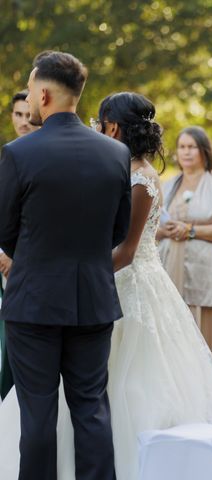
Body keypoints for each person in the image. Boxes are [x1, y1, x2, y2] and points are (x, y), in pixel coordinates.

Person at [0, 93, 212, 480]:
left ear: (114, 127)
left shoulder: (141, 178)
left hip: (128, 285)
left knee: (116, 390)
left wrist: (76, 269)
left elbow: (126, 251)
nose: (94, 127)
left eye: (99, 121)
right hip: (98, 282)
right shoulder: (112, 163)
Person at [0, 51, 131, 480]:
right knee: (91, 409)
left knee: (37, 415)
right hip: (93, 299)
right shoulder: (115, 154)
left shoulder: (18, 153)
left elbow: (4, 231)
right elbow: (117, 230)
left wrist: (36, 258)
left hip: (34, 301)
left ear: (42, 93)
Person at [157, 126, 212, 405]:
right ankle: (182, 399)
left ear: (203, 150)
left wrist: (192, 230)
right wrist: (166, 231)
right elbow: (152, 226)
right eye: (181, 147)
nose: (186, 152)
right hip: (172, 266)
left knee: (205, 331)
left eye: (192, 146)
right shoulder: (167, 185)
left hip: (209, 272)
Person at [0, 90, 40, 400]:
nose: (24, 122)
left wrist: (15, 257)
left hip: (29, 267)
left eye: (29, 115)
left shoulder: (43, 158)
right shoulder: (8, 154)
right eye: (18, 115)